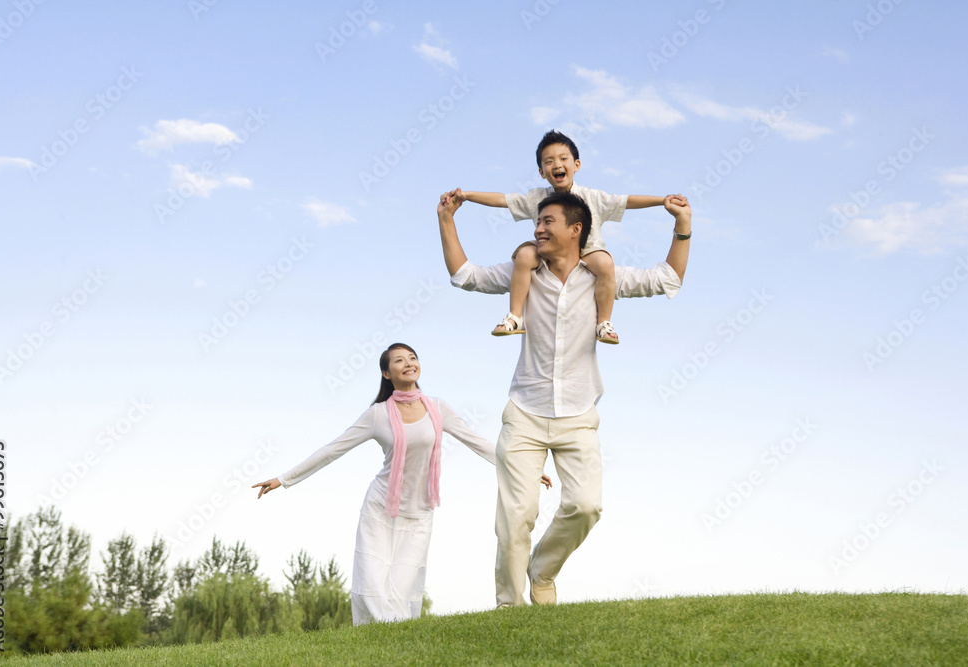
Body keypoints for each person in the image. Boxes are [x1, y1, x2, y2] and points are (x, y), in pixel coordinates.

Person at [437, 188, 691, 607]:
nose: (537, 230)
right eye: (536, 223)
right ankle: (509, 608)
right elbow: (466, 275)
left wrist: (682, 228)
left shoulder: (601, 277)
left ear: (576, 230)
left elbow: (667, 278)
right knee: (516, 518)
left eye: (546, 223)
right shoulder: (524, 272)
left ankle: (543, 569)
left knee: (586, 506)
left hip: (578, 414)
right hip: (524, 414)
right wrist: (447, 220)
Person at [252, 343, 551, 625]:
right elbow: (333, 449)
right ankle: (381, 637)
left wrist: (523, 469)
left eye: (412, 358)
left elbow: (478, 442)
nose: (409, 363)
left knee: (402, 582)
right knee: (372, 580)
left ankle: (394, 632)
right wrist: (283, 479)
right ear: (386, 373)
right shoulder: (377, 415)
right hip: (380, 507)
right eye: (399, 360)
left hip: (419, 510)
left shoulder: (437, 408)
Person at [457, 129, 686, 343]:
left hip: (587, 255)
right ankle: (515, 316)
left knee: (605, 262)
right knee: (525, 255)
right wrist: (467, 195)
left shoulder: (593, 197)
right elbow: (502, 200)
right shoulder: (536, 197)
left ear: (576, 164)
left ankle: (603, 322)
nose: (557, 164)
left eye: (563, 159)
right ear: (541, 172)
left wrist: (661, 201)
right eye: (549, 161)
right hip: (549, 256)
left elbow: (627, 201)